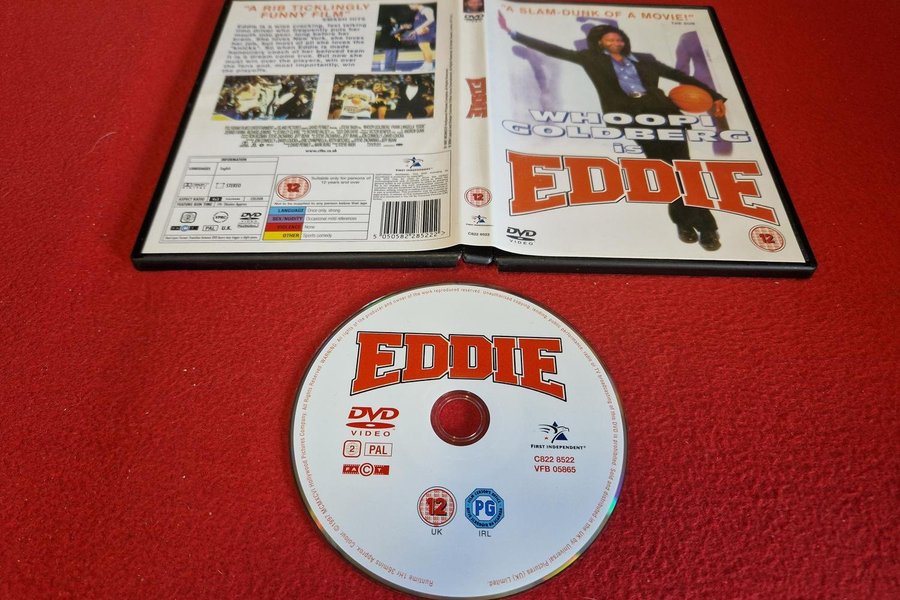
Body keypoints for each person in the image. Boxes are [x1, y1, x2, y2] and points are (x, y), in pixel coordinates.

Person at [499, 13, 727, 251]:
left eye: (619, 39)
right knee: (666, 172)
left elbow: (679, 76)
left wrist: (715, 96)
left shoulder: (645, 59)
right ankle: (687, 223)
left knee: (684, 169)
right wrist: (513, 33)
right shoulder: (590, 59)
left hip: (664, 112)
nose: (616, 42)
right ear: (600, 42)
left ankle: (703, 227)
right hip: (631, 117)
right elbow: (555, 50)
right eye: (610, 39)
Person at [408, 4, 436, 71]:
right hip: (420, 31)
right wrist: (414, 31)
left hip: (425, 31)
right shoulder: (419, 12)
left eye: (410, 4)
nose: (410, 7)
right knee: (423, 48)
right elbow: (419, 23)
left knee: (425, 47)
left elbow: (431, 20)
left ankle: (429, 66)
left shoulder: (426, 9)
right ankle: (426, 64)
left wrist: (420, 28)